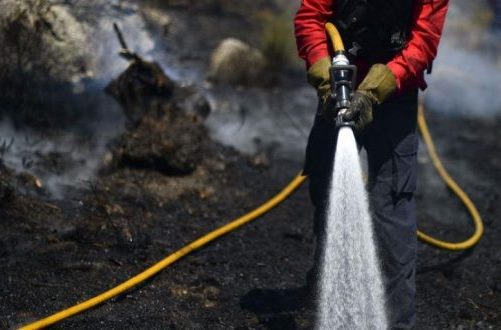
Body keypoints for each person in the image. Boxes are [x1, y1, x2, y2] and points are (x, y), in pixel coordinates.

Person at [294, 0, 449, 328]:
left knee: (392, 208)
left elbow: (423, 41)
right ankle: (328, 283)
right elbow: (311, 18)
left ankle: (396, 321)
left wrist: (375, 90)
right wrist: (326, 80)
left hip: (395, 91)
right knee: (324, 185)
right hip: (338, 83)